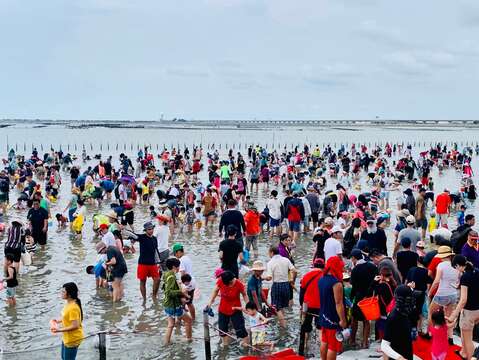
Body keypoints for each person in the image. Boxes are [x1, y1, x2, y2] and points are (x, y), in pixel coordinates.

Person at [447, 255, 479, 360]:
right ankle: (464, 354)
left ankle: (469, 357)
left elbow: (463, 300)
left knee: (468, 339)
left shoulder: (465, 277)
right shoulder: (477, 271)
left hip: (469, 311)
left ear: (457, 265)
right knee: (467, 335)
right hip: (478, 309)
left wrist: (453, 316)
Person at [205, 271, 249, 346]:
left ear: (232, 280)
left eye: (230, 283)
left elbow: (244, 295)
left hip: (235, 309)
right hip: (223, 308)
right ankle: (225, 346)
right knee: (222, 329)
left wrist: (248, 306)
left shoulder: (239, 284)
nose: (229, 285)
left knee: (240, 330)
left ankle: (246, 345)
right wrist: (210, 302)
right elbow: (215, 291)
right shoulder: (221, 281)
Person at [318, 256, 347, 360]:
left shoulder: (321, 279)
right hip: (333, 318)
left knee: (324, 341)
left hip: (323, 315)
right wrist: (342, 320)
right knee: (333, 346)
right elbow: (339, 303)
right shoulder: (336, 283)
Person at [428, 245, 459, 341]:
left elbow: (436, 281)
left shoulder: (441, 265)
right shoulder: (456, 266)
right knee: (449, 316)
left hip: (442, 294)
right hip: (453, 294)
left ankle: (431, 333)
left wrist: (429, 293)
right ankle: (449, 337)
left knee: (430, 312)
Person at [350, 248, 377, 349]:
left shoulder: (355, 270)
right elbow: (376, 279)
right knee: (366, 320)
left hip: (359, 297)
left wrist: (351, 297)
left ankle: (352, 341)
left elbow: (354, 286)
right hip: (369, 297)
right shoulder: (371, 266)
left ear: (354, 258)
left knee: (354, 319)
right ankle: (365, 342)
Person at [265, 244, 297, 327]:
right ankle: (282, 324)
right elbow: (294, 271)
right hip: (286, 285)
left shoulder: (270, 263)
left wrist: (262, 278)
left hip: (277, 286)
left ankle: (283, 327)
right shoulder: (286, 260)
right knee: (282, 307)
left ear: (272, 253)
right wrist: (292, 280)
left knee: (277, 308)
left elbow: (269, 277)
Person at [381, 285, 415, 360]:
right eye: (407, 300)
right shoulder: (393, 318)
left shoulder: (406, 313)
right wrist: (399, 358)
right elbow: (384, 345)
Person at [129, 222, 161, 303]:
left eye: (152, 229)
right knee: (143, 281)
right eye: (149, 229)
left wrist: (158, 262)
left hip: (153, 263)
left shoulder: (154, 238)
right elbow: (133, 235)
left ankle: (154, 295)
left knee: (157, 280)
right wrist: (123, 229)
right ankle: (144, 299)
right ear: (145, 230)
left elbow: (155, 251)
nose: (151, 231)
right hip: (143, 264)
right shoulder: (142, 237)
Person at [163, 257, 192, 345]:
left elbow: (165, 289)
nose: (179, 268)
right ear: (174, 267)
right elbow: (169, 292)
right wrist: (181, 291)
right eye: (178, 266)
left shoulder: (166, 274)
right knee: (188, 320)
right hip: (174, 305)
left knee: (171, 324)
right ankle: (189, 339)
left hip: (167, 304)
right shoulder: (171, 276)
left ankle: (166, 342)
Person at [51, 282, 84, 360]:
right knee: (63, 357)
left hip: (73, 339)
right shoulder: (69, 303)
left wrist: (59, 330)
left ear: (69, 294)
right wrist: (58, 321)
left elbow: (75, 325)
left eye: (63, 292)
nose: (61, 293)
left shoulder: (73, 307)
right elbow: (67, 317)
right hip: (66, 337)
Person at [299, 258, 324, 344]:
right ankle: (321, 348)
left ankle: (305, 347)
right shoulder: (325, 276)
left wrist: (301, 305)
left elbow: (301, 293)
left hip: (307, 304)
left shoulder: (306, 276)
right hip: (321, 305)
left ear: (314, 265)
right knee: (320, 328)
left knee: (305, 327)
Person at [172, 243, 196, 320]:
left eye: (175, 253)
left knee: (180, 302)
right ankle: (193, 318)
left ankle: (179, 322)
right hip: (192, 283)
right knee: (189, 303)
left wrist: (180, 285)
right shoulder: (187, 258)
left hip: (186, 284)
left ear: (178, 252)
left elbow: (182, 274)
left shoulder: (181, 260)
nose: (175, 255)